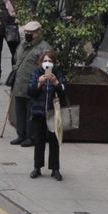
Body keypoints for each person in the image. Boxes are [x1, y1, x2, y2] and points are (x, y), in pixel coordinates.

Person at [27, 49, 66, 181]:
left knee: (54, 141)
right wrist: (39, 83)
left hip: (53, 113)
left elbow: (64, 92)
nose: (47, 63)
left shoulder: (58, 73)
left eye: (50, 61)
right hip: (39, 112)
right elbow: (31, 91)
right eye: (45, 61)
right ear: (41, 63)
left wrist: (56, 83)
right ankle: (37, 167)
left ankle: (55, 168)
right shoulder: (36, 73)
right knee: (39, 141)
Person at [10, 20, 48, 146]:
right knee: (20, 112)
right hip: (19, 84)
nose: (27, 34)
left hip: (33, 85)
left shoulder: (44, 48)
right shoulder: (22, 44)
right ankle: (21, 135)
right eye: (26, 32)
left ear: (37, 33)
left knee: (31, 113)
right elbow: (16, 58)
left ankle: (31, 137)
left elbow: (46, 68)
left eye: (30, 33)